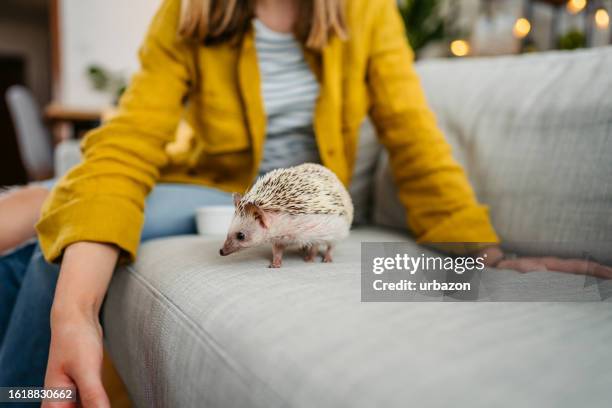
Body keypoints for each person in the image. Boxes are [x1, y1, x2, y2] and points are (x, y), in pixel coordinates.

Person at [0, 0, 610, 406]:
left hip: (299, 201)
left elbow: (413, 139)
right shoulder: (190, 14)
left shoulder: (366, 13)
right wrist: (75, 313)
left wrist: (484, 258)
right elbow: (130, 143)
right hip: (219, 192)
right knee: (74, 232)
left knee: (35, 246)